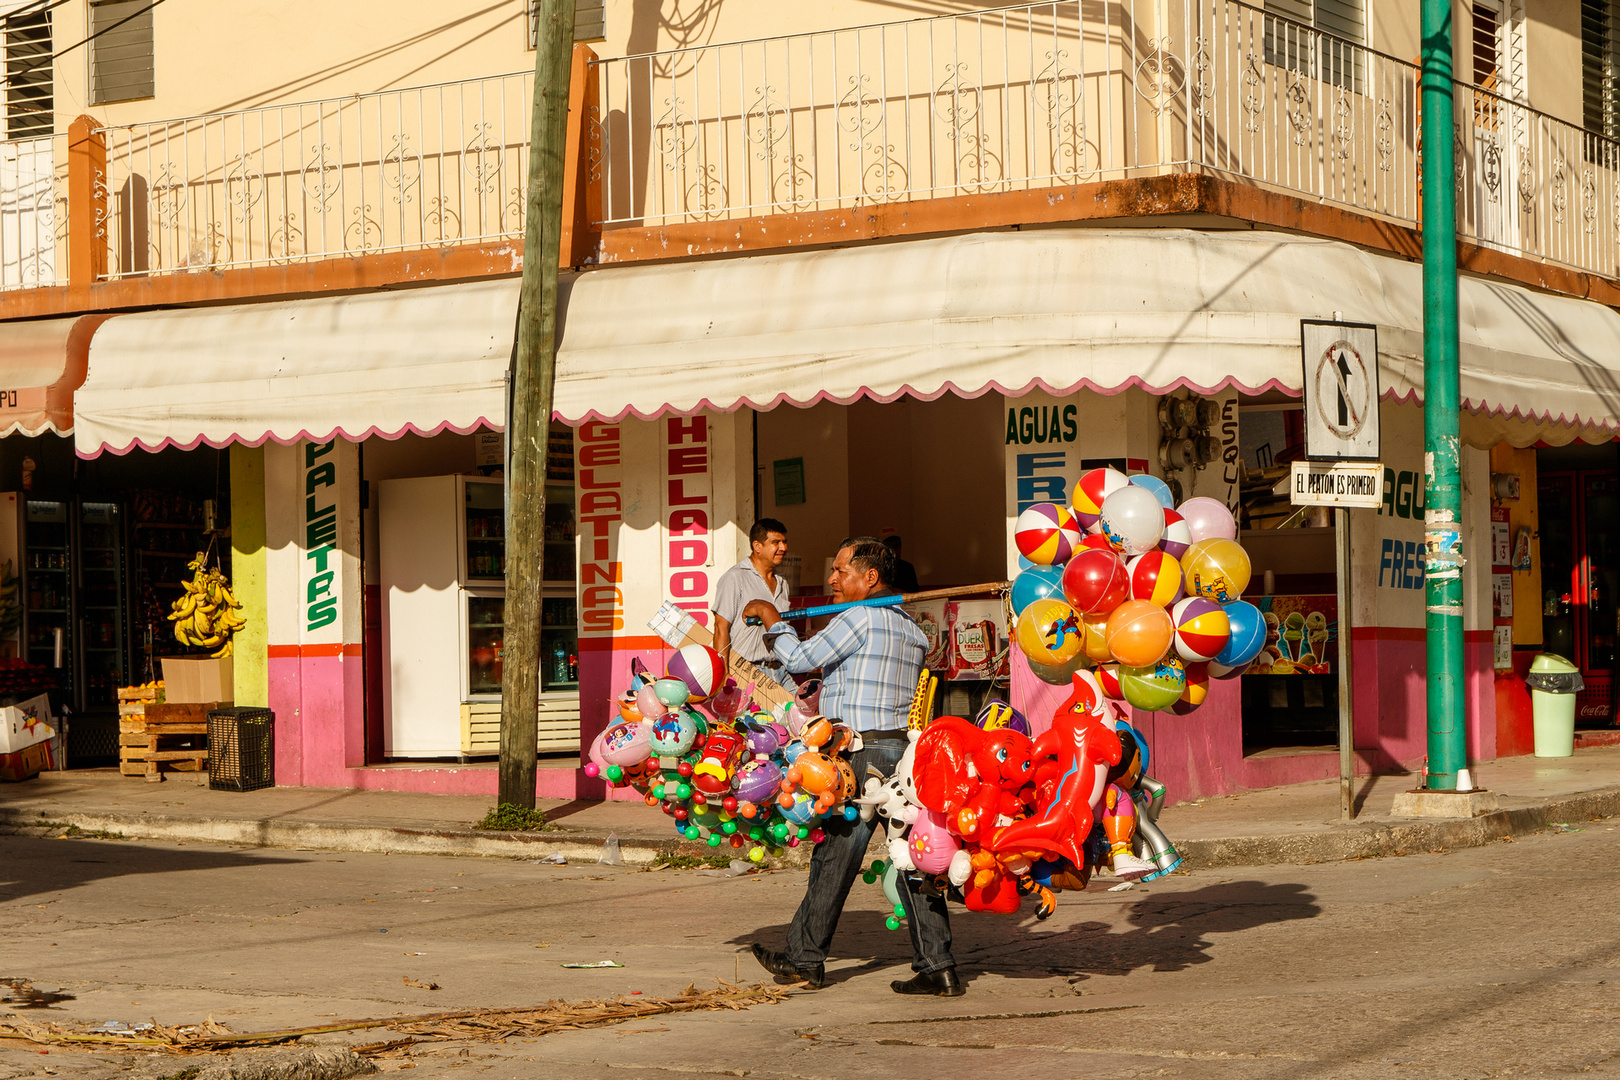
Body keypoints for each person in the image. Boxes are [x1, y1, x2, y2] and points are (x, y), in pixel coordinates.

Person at [741, 537, 964, 997]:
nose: (833, 579)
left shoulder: (859, 617)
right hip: (901, 756)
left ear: (870, 579)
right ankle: (938, 965)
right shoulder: (913, 630)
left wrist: (771, 618)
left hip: (859, 758)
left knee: (834, 860)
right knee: (913, 861)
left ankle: (804, 960)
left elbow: (800, 657)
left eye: (842, 571)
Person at [712, 519, 793, 689]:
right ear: (757, 546)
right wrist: (724, 674)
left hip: (781, 671)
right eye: (776, 542)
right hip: (747, 671)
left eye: (784, 542)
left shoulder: (782, 583)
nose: (783, 548)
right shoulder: (734, 578)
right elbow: (721, 627)